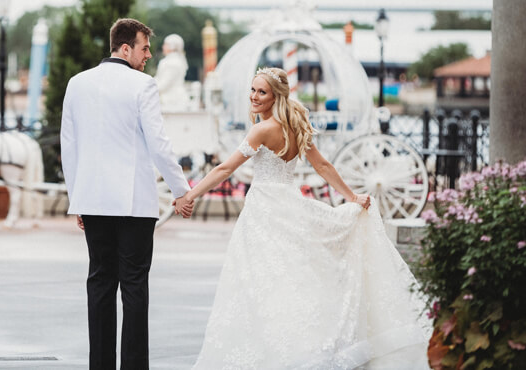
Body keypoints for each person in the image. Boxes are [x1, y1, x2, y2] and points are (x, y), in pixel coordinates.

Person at [178, 67, 431, 369]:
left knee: (261, 284)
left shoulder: (261, 130)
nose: (254, 96)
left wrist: (190, 195)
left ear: (275, 96)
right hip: (290, 205)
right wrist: (351, 197)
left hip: (264, 213)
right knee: (290, 280)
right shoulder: (296, 123)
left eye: (262, 92)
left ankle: (274, 353)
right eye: (253, 89)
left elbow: (224, 170)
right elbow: (322, 166)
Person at [61, 18, 194, 370]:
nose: (149, 55)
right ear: (125, 48)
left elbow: (68, 147)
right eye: (144, 48)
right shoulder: (142, 85)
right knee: (134, 287)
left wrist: (77, 198)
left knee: (100, 284)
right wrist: (182, 190)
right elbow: (160, 146)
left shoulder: (77, 83)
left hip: (92, 200)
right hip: (134, 202)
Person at [153, 33, 190, 111]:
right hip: (177, 98)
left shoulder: (170, 62)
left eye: (165, 44)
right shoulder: (179, 60)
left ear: (171, 46)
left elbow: (164, 84)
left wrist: (150, 89)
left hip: (171, 100)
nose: (163, 47)